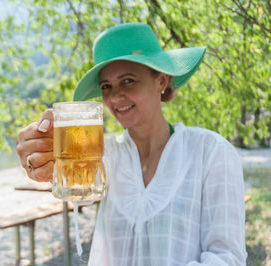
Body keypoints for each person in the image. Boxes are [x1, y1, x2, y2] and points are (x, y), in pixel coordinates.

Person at [16, 22, 246, 265]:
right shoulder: (106, 155)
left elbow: (227, 256)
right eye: (106, 86)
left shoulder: (210, 152)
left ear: (161, 81)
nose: (114, 97)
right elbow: (78, 187)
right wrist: (42, 154)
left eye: (128, 81)